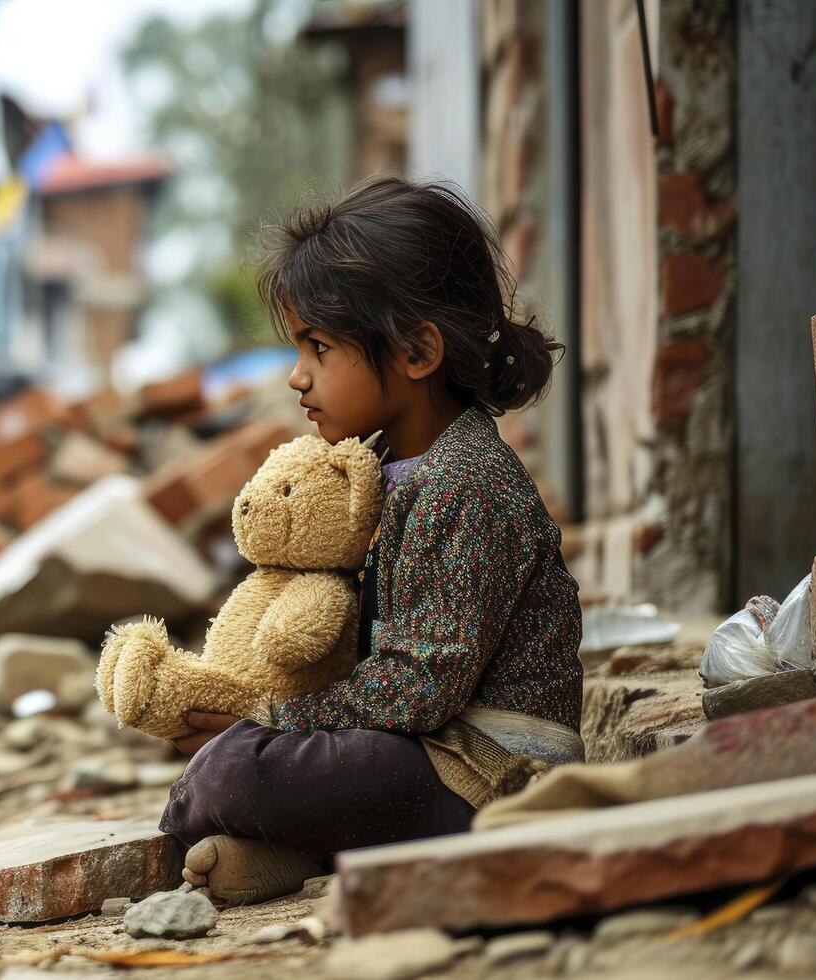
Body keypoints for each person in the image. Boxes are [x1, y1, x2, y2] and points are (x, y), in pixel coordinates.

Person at [158, 177, 585, 903]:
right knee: (247, 758)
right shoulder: (382, 471)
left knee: (237, 769)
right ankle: (296, 849)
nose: (296, 377)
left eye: (318, 348)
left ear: (417, 351)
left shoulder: (464, 482)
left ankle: (291, 838)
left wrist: (268, 720)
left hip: (487, 773)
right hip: (420, 745)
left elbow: (419, 687)